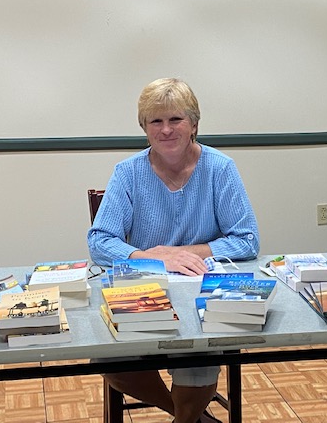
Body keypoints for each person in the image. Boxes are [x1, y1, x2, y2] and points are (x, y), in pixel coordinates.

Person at [87, 77, 260, 423]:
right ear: (144, 128)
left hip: (203, 300)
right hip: (142, 298)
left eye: (175, 119)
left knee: (198, 363)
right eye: (156, 121)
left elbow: (247, 239)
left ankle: (187, 419)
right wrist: (154, 256)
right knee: (106, 360)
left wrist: (187, 253)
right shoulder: (128, 173)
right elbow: (100, 241)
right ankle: (194, 418)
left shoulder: (220, 168)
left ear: (194, 124)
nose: (166, 130)